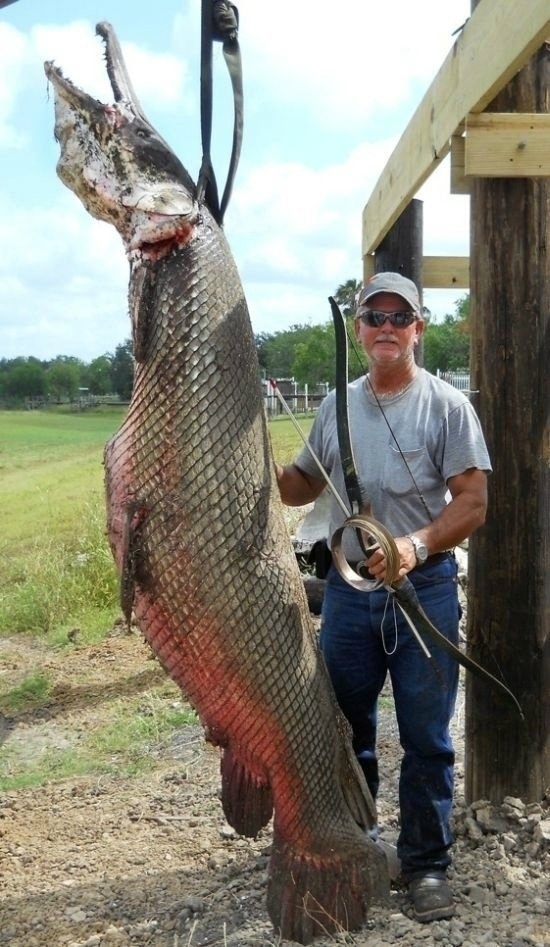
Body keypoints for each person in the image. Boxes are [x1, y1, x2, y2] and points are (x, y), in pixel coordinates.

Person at [276, 272, 491, 923]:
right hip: (349, 595)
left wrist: (414, 546)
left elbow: (473, 502)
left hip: (423, 589)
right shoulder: (334, 407)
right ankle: (358, 850)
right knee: (346, 730)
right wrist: (250, 460)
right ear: (361, 330)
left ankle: (426, 864)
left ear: (418, 328)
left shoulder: (446, 406)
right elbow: (299, 485)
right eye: (375, 316)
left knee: (426, 736)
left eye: (401, 316)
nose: (387, 327)